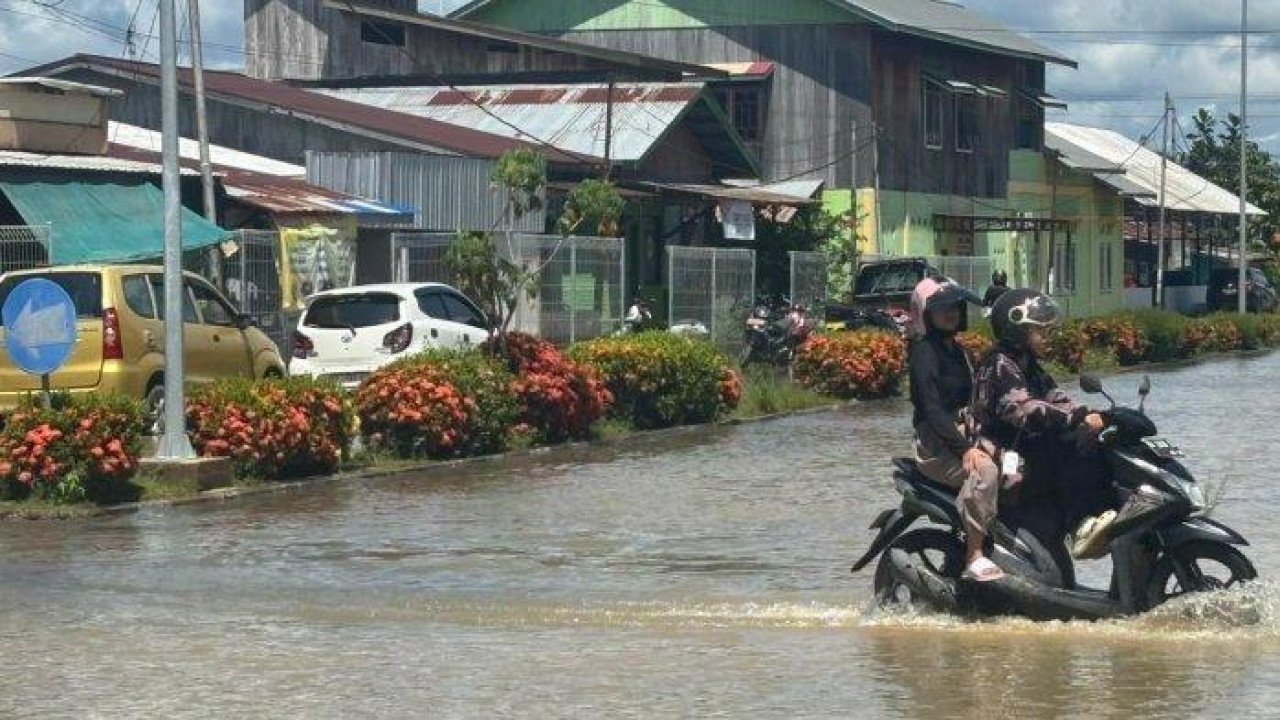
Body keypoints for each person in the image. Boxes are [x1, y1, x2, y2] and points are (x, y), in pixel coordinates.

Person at [973, 289, 1158, 563]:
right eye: (1041, 331)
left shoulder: (1028, 364)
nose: (1048, 338)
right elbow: (1025, 410)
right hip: (1004, 453)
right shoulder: (999, 364)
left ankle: (1102, 519)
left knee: (1096, 442)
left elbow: (1057, 399)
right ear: (1018, 330)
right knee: (1069, 448)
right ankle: (1080, 525)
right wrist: (1078, 419)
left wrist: (1096, 416)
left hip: (1025, 445)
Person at [908, 277, 1003, 582]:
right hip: (937, 444)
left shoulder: (959, 351)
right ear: (928, 316)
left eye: (954, 308)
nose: (949, 314)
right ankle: (974, 554)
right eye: (941, 309)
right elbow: (931, 410)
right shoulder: (924, 353)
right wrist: (964, 450)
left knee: (1018, 461)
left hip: (968, 433)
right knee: (984, 472)